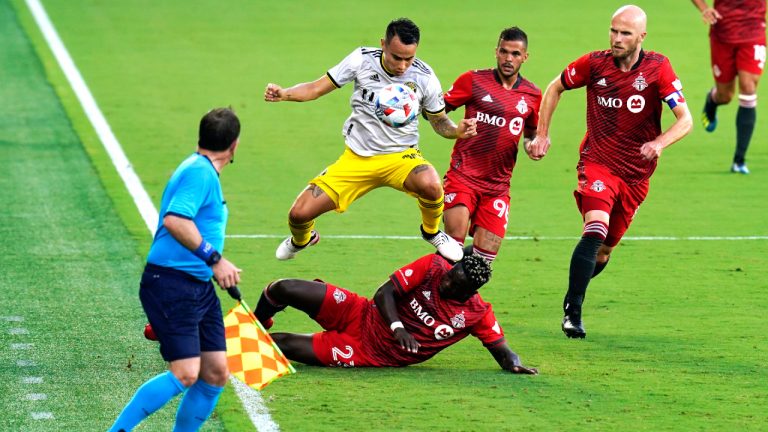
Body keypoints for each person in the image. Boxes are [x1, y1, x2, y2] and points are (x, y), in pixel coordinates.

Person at [527, 5, 693, 338]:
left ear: (641, 36)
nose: (617, 39)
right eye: (613, 31)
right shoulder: (594, 63)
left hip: (636, 175)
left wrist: (659, 143)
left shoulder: (658, 69)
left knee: (603, 252)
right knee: (595, 230)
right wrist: (541, 133)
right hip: (597, 163)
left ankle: (575, 288)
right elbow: (553, 88)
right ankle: (573, 312)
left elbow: (685, 120)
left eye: (625, 33)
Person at [264, 18, 477, 262]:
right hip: (356, 159)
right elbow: (315, 88)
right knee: (298, 214)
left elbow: (439, 122)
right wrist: (285, 94)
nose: (403, 65)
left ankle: (431, 233)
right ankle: (302, 240)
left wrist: (457, 131)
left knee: (431, 183)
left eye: (409, 58)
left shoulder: (424, 77)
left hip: (402, 157)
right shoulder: (361, 60)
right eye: (397, 57)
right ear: (383, 44)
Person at [110, 108, 242, 431]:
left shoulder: (202, 171)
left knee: (215, 373)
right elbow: (175, 220)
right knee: (186, 372)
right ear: (235, 145)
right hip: (171, 283)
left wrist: (211, 268)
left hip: (198, 286)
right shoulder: (199, 173)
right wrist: (215, 259)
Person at [253, 253, 538, 374]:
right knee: (284, 287)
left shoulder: (477, 313)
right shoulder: (434, 266)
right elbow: (384, 293)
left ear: (469, 291)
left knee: (279, 345)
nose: (446, 281)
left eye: (454, 284)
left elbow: (502, 350)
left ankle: (232, 347)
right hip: (359, 312)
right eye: (451, 274)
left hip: (367, 353)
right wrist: (398, 327)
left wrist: (514, 363)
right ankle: (257, 322)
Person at [442, 27, 541, 263]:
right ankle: (433, 296)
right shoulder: (473, 80)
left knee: (482, 263)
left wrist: (532, 146)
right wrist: (456, 129)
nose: (509, 59)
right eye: (504, 52)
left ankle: (460, 298)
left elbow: (530, 134)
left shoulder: (533, 95)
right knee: (452, 247)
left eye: (515, 54)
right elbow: (434, 112)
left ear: (525, 57)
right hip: (463, 176)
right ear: (496, 52)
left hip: (497, 186)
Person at [692, 0, 766, 174]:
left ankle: (739, 160)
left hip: (754, 34)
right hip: (723, 34)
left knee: (748, 88)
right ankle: (712, 99)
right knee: (725, 96)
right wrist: (704, 9)